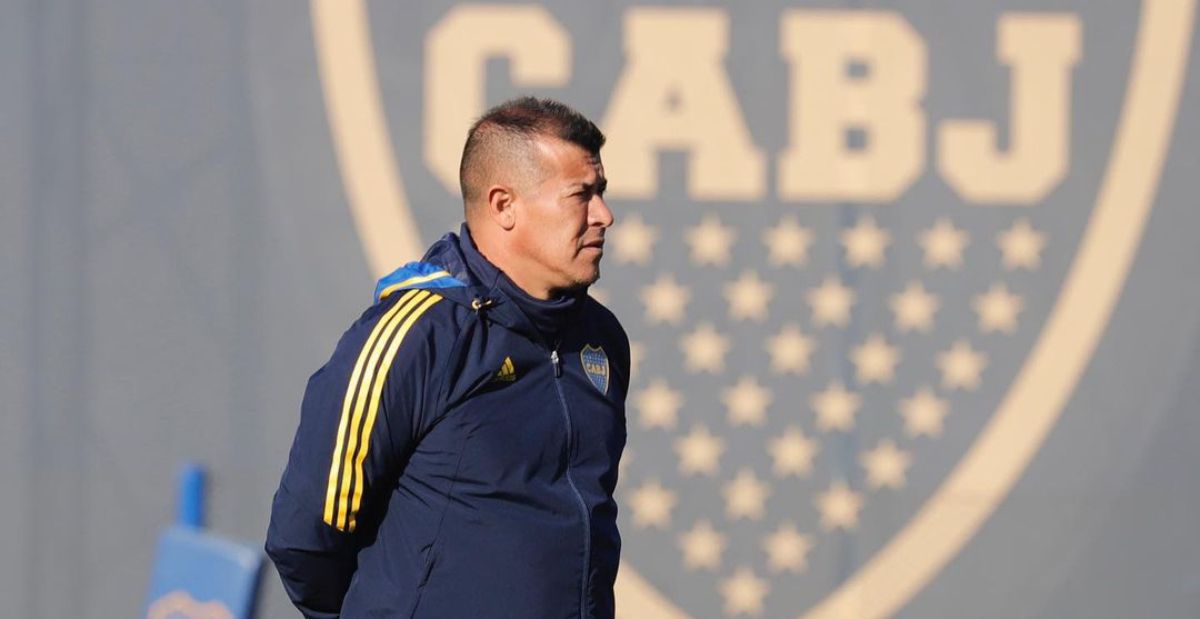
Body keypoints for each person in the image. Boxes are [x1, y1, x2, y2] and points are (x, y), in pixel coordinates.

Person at [266, 97, 629, 619]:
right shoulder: (417, 335)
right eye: (581, 195)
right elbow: (304, 536)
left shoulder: (601, 340)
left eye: (602, 192)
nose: (604, 216)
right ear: (504, 206)